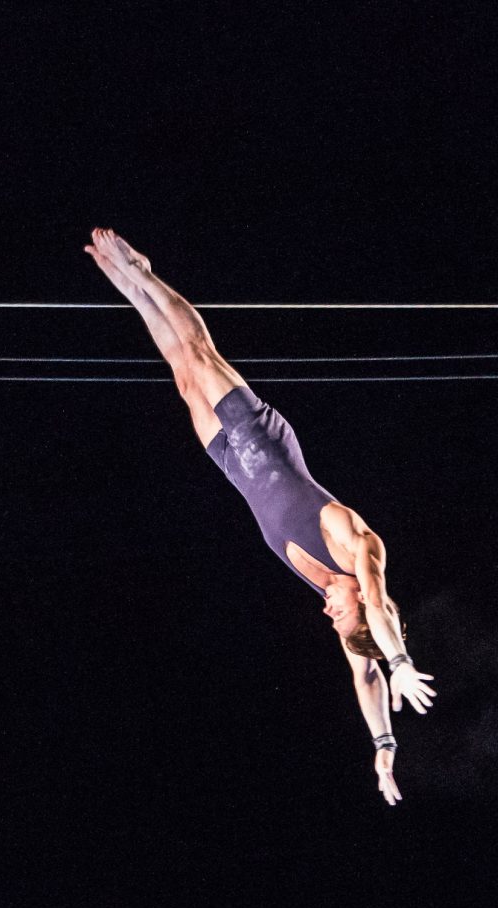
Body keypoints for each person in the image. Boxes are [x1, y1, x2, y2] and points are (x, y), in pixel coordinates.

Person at [86, 229, 432, 804]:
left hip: (231, 464)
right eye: (342, 613)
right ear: (368, 605)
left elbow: (363, 674)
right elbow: (376, 605)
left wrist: (384, 745)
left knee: (181, 373)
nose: (328, 611)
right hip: (260, 440)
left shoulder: (340, 605)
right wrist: (401, 660)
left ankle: (130, 290)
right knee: (200, 352)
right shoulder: (359, 549)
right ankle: (144, 272)